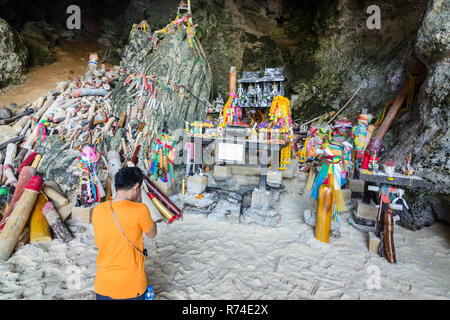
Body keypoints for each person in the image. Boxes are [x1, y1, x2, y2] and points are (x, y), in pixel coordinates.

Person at [92, 166, 157, 300]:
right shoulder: (140, 210)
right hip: (132, 288)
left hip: (103, 286)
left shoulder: (98, 210)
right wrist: (140, 204)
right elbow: (152, 233)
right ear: (136, 187)